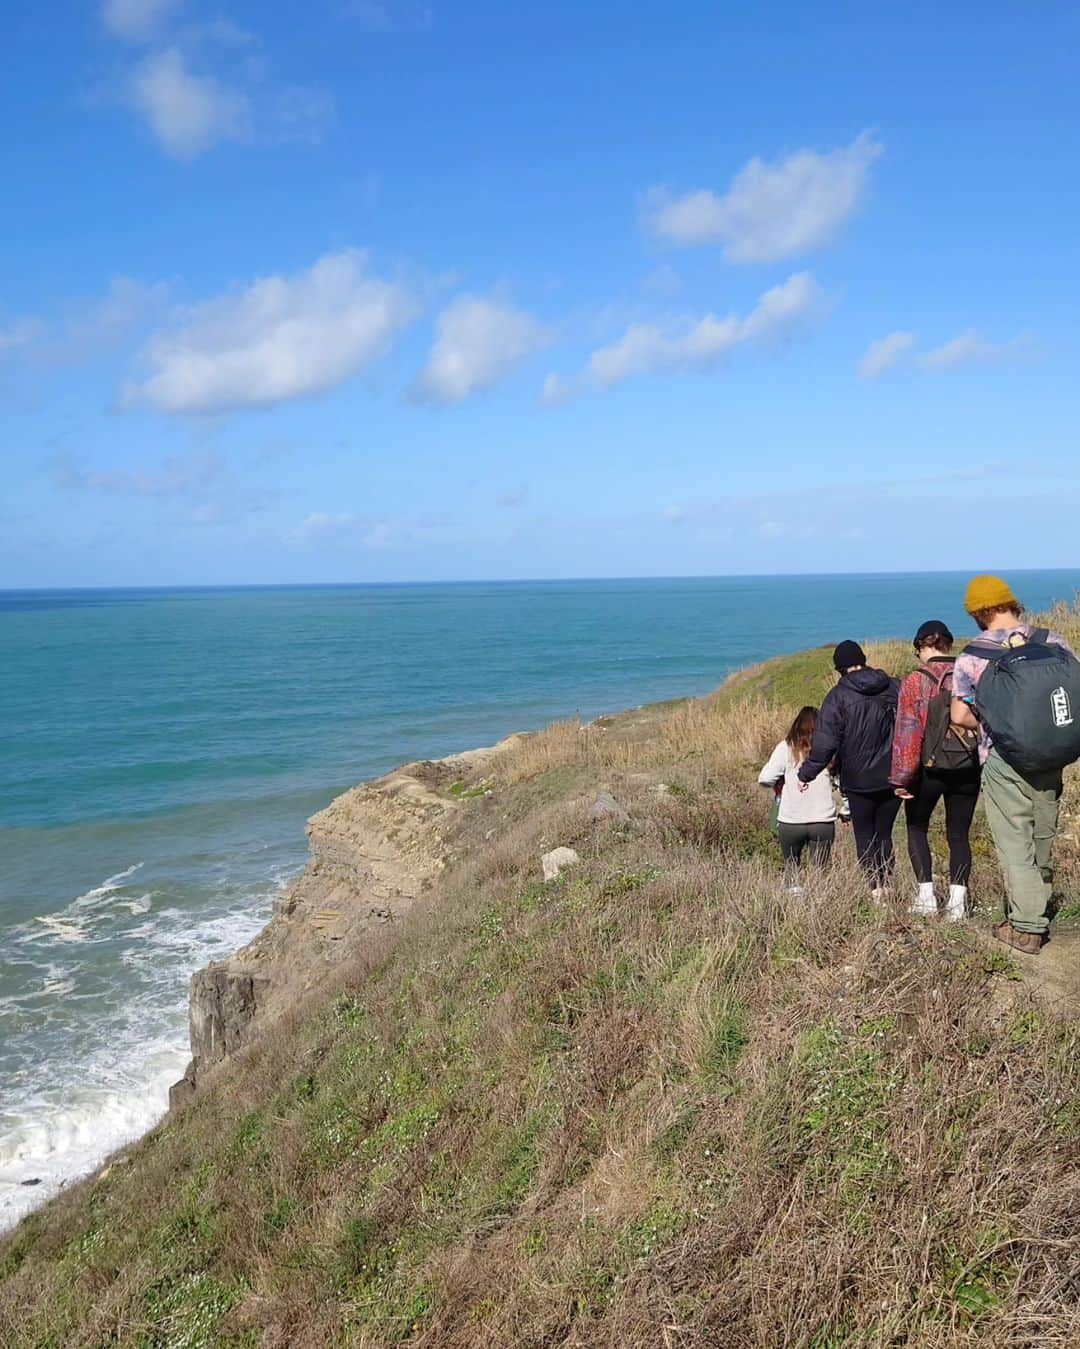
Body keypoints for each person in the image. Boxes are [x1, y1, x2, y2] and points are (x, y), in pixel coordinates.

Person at [952, 575, 1079, 954]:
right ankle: (1034, 905)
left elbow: (960, 714)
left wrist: (996, 724)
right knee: (1042, 835)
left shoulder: (975, 654)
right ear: (1011, 603)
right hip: (1053, 754)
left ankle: (1026, 927)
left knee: (1014, 842)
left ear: (979, 611)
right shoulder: (1053, 641)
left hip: (1003, 758)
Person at [890, 620, 981, 920]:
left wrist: (903, 777)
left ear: (921, 647)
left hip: (929, 770)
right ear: (949, 644)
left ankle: (926, 896)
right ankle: (957, 904)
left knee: (917, 828)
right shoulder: (970, 675)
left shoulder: (916, 681)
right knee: (959, 833)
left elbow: (908, 733)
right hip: (967, 764)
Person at [798, 640, 900, 896]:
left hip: (857, 779)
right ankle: (888, 885)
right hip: (893, 774)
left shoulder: (837, 697)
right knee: (884, 834)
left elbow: (825, 744)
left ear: (840, 668)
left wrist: (806, 773)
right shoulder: (893, 686)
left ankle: (876, 891)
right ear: (863, 660)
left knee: (864, 834)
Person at [758, 705, 836, 893]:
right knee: (820, 871)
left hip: (791, 820)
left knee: (791, 866)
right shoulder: (828, 748)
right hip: (822, 819)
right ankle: (819, 905)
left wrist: (780, 782)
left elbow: (765, 778)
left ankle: (794, 903)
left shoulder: (785, 747)